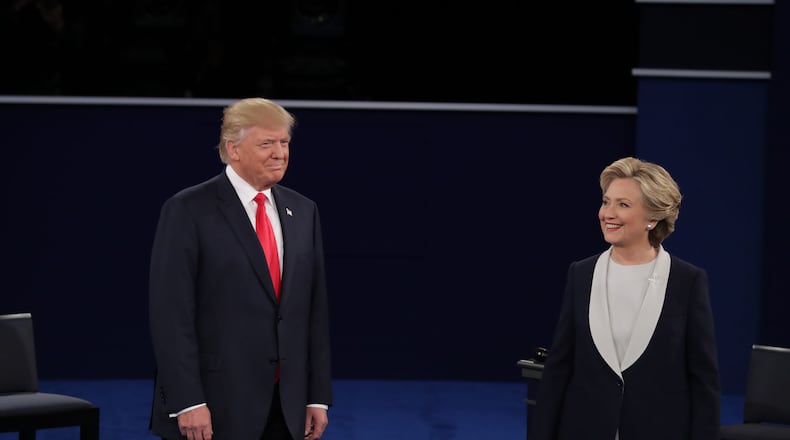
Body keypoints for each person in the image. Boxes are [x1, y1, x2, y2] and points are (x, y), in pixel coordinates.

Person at [148, 97, 332, 440]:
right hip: (214, 405)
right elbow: (170, 315)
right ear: (233, 149)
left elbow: (314, 311)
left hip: (286, 406)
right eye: (267, 143)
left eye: (284, 143)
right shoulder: (188, 209)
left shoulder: (304, 211)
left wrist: (317, 396)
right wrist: (188, 401)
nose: (280, 153)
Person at [530, 157, 720, 440]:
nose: (608, 213)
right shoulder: (581, 274)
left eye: (623, 204)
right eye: (606, 202)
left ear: (652, 218)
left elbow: (703, 381)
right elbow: (560, 367)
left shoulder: (687, 281)